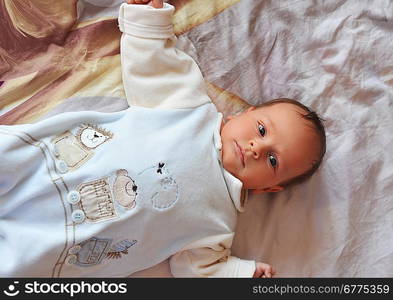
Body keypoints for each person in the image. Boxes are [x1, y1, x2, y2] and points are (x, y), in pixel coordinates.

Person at [0, 0, 325, 278]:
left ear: (270, 188)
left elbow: (197, 270)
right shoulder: (189, 107)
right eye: (262, 130)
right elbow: (153, 65)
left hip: (54, 243)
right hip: (42, 167)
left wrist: (241, 272)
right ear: (243, 114)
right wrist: (147, 17)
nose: (257, 148)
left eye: (272, 160)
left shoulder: (218, 227)